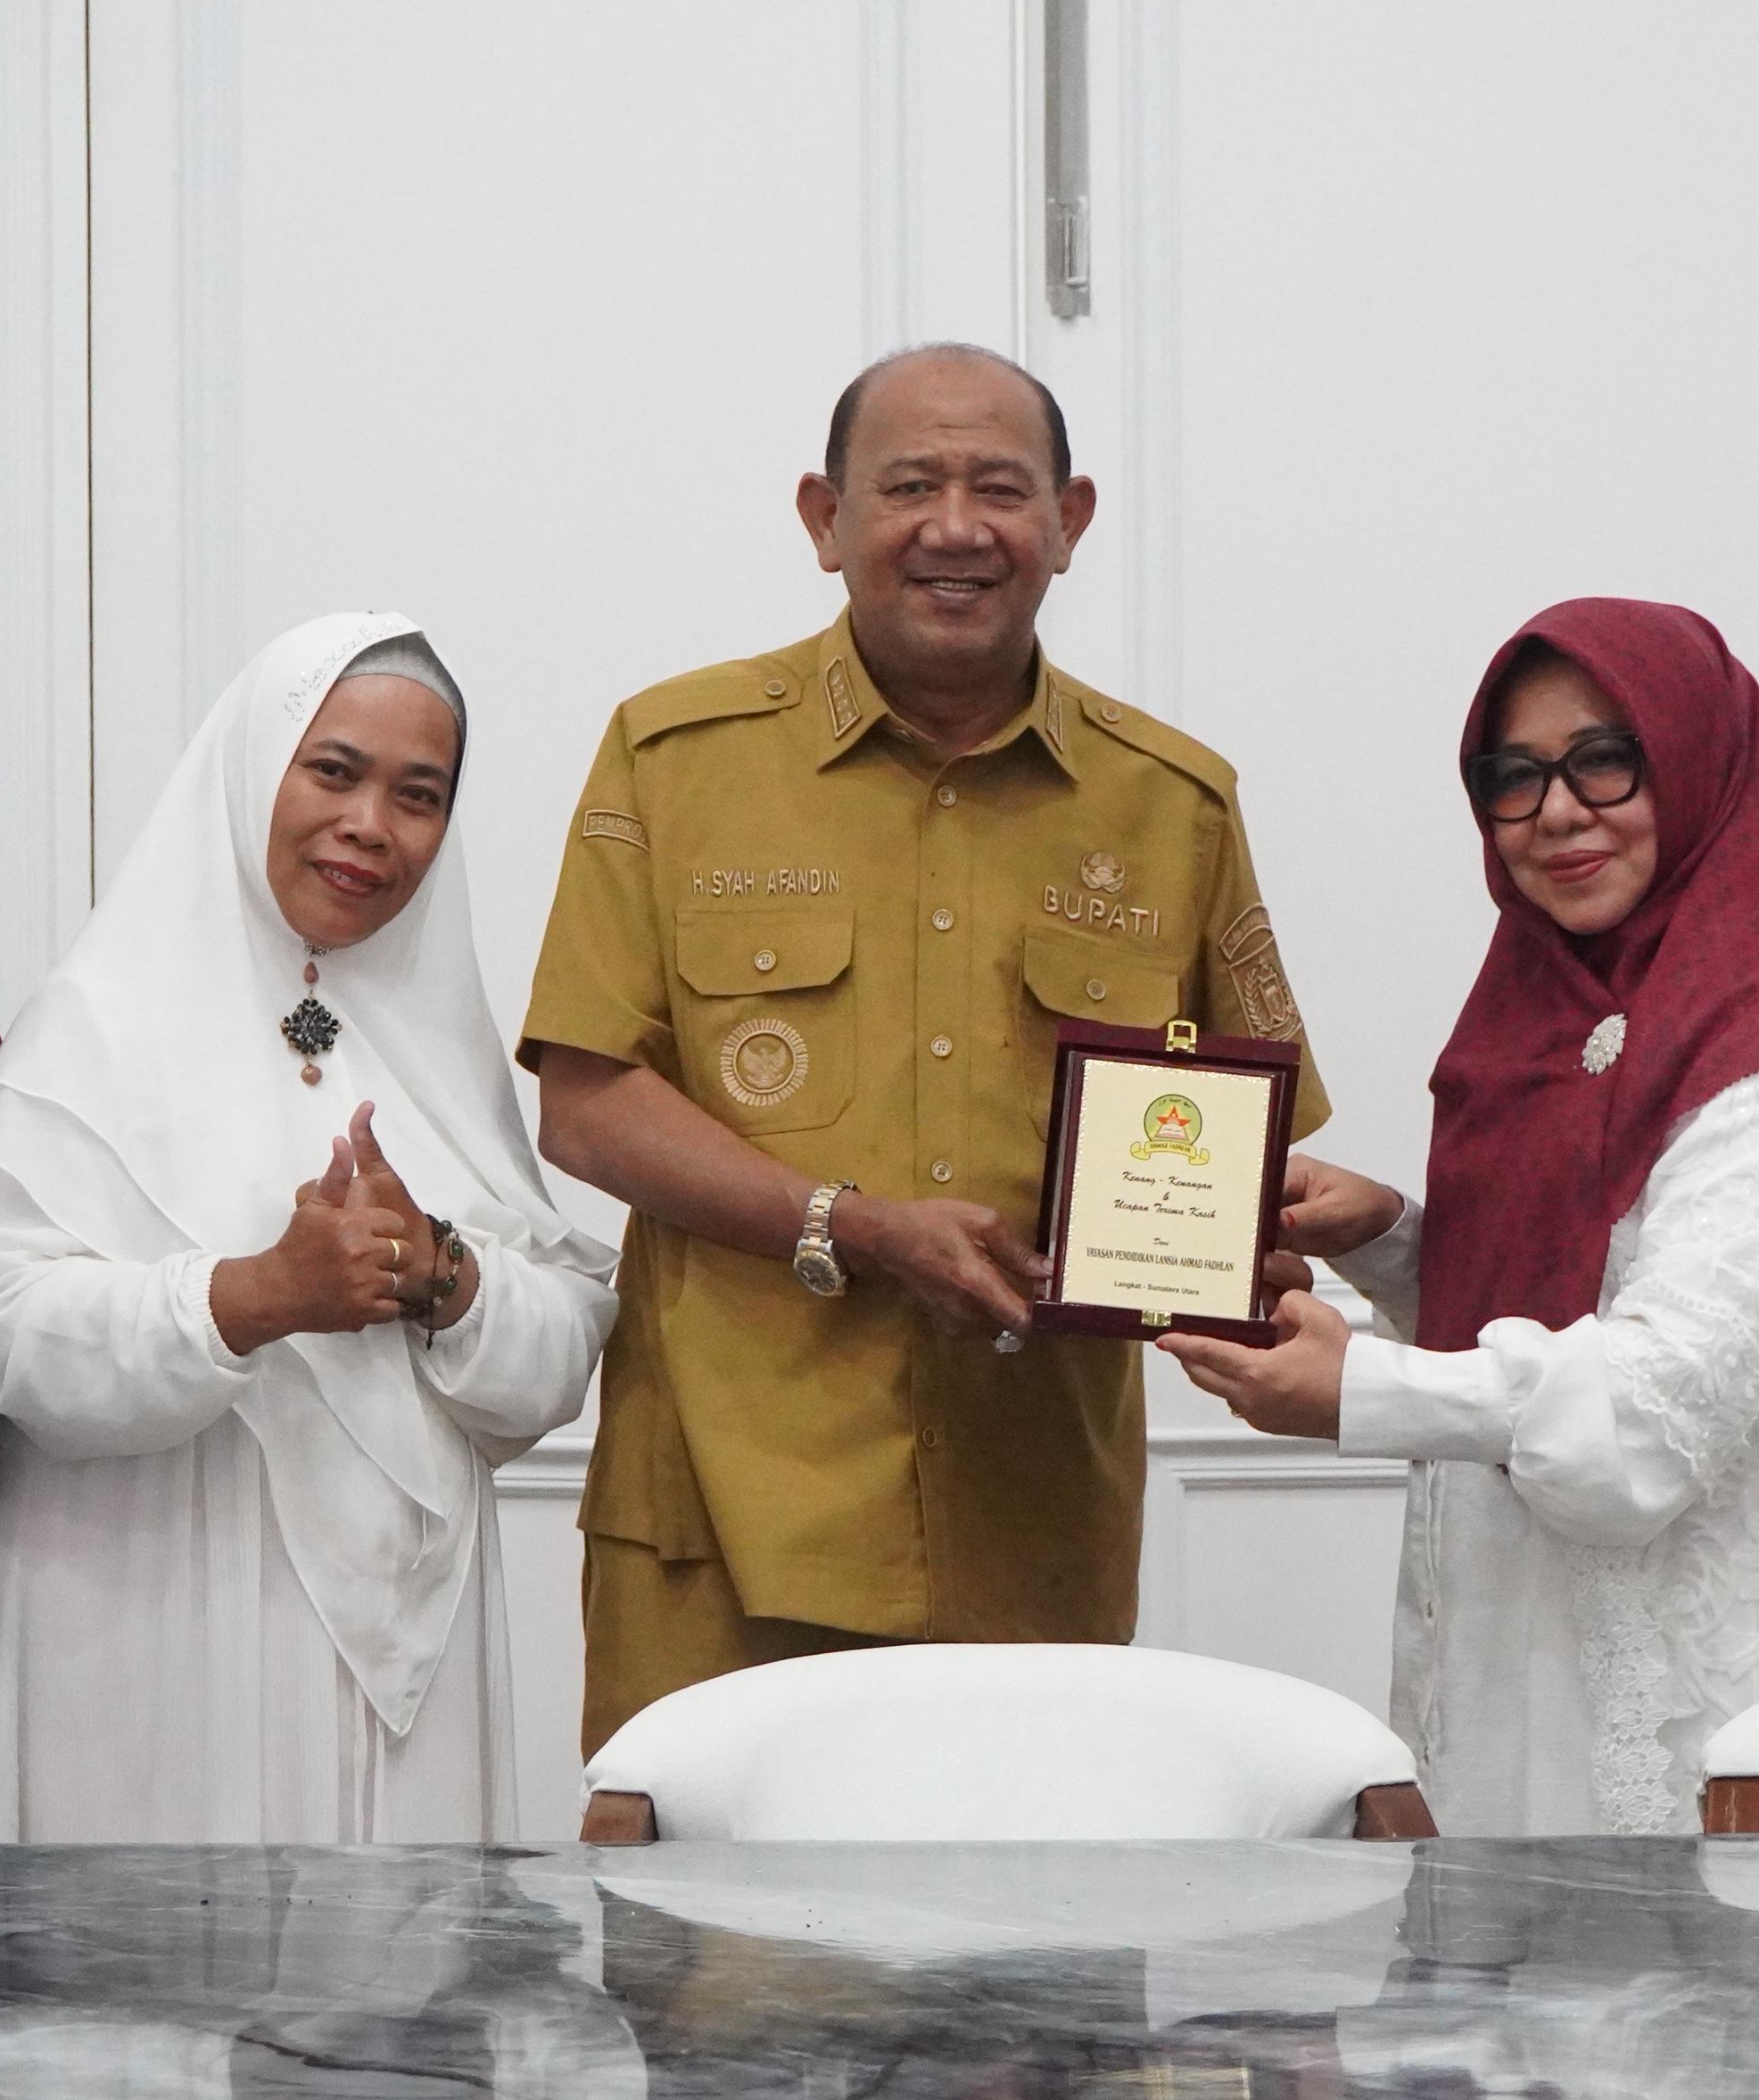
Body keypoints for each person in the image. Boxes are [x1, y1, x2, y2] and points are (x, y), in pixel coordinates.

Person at [523, 343, 1329, 1752]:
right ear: (822, 519)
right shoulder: (675, 759)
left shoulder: (1170, 802)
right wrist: (858, 1226)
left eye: (1000, 488)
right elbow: (588, 1106)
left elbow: (1240, 1138)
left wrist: (1282, 1231)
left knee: (1033, 1956)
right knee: (727, 1965)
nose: (955, 527)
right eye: (908, 485)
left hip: (1036, 1529)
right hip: (725, 1519)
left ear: (1070, 521)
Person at [1162, 599, 1759, 1834]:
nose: (1558, 810)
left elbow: (1654, 1413)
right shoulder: (1534, 1016)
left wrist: (1361, 1394)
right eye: (1513, 777)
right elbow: (1560, 1294)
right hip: (1504, 1649)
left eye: (1606, 760)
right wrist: (1397, 1235)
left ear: (1698, 761)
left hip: (1690, 1706)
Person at [0, 613, 618, 1842]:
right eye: (335, 771)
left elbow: (562, 1343)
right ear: (254, 767)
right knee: (154, 2011)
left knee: (392, 2021)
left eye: (420, 794)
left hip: (402, 1674)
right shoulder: (102, 1023)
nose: (372, 824)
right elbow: (3, 1328)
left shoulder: (440, 1045)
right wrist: (252, 1295)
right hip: (153, 1629)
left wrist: (447, 1276)